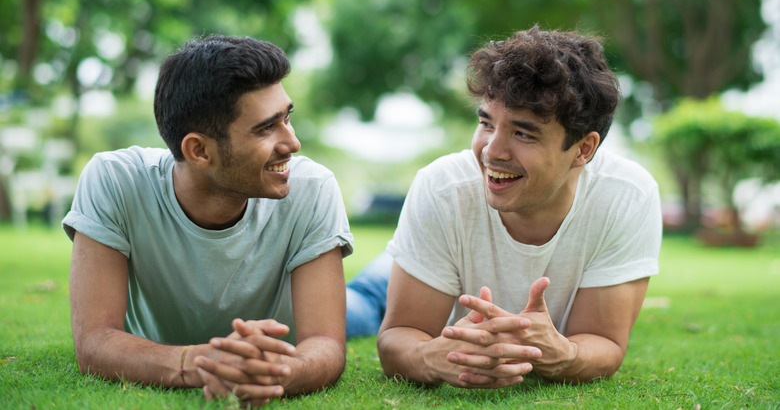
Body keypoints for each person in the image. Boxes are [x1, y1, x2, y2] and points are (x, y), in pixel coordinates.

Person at [63, 35, 353, 407]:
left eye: (287, 117)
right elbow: (95, 342)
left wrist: (276, 373)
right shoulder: (113, 179)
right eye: (266, 128)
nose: (292, 143)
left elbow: (327, 344)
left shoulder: (312, 188)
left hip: (298, 297)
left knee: (363, 304)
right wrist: (200, 363)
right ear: (199, 150)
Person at [373, 26, 662, 388]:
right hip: (424, 267)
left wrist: (562, 354)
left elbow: (604, 343)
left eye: (523, 133)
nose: (492, 151)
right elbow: (399, 337)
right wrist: (435, 357)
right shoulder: (443, 187)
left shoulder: (626, 196)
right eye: (486, 123)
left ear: (583, 150)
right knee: (361, 308)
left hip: (434, 267)